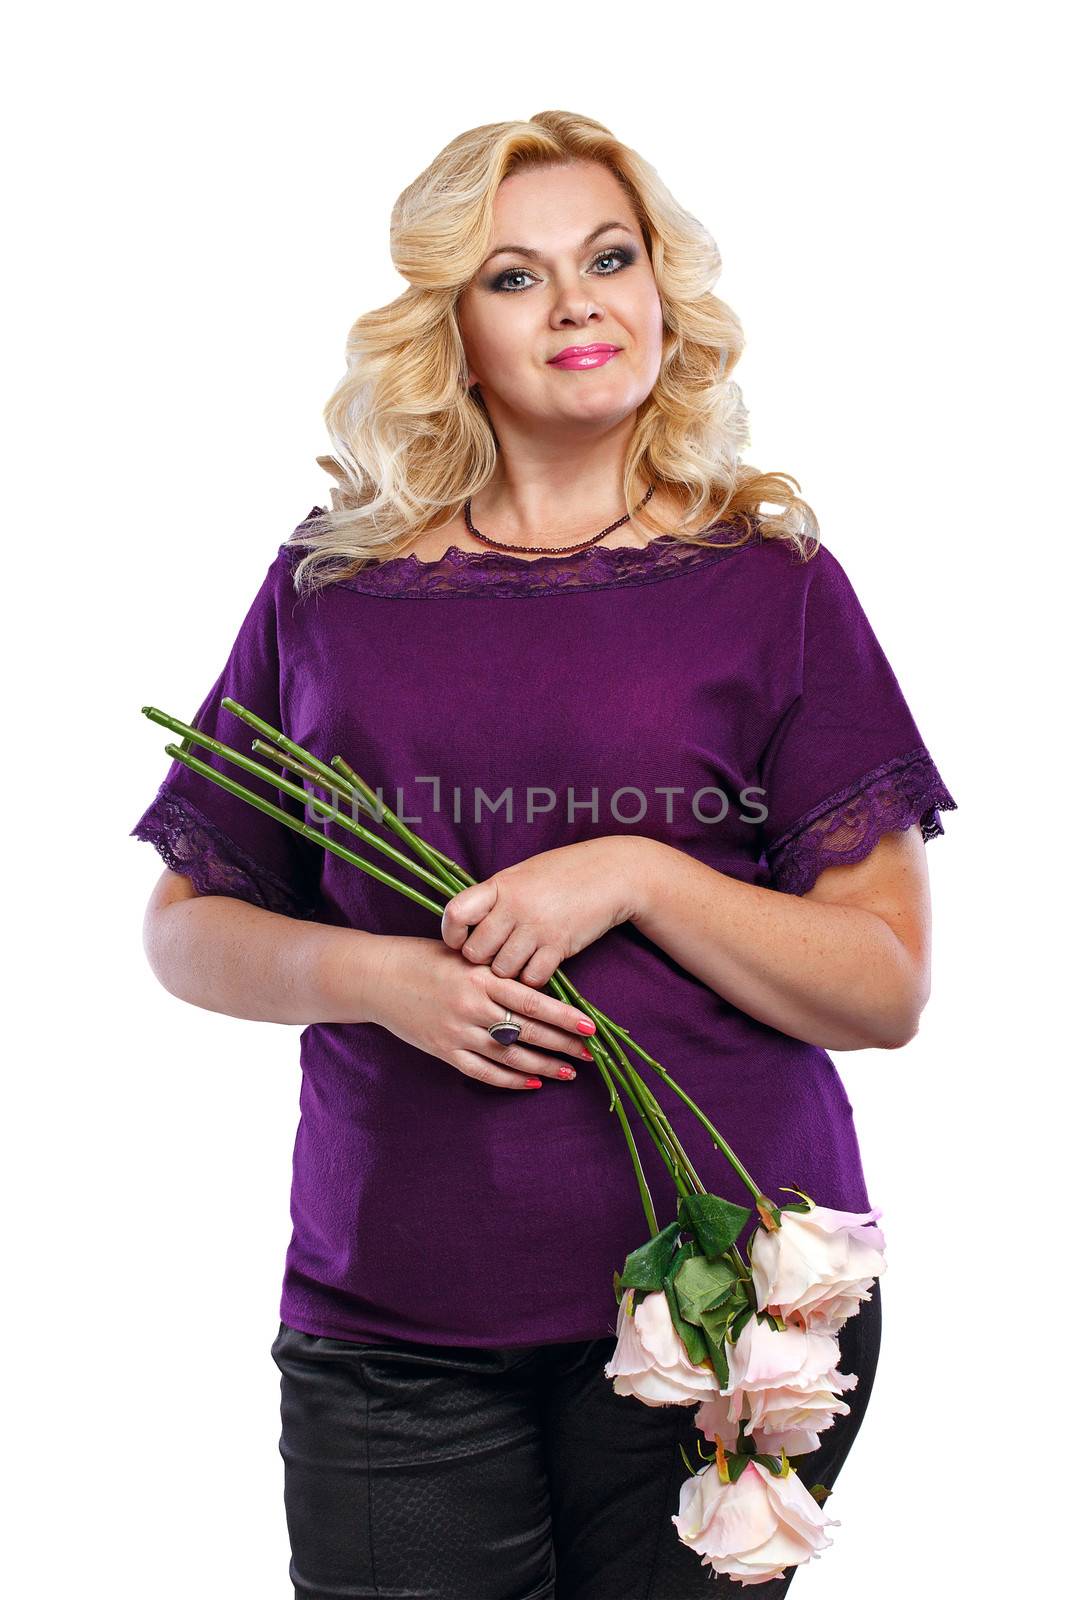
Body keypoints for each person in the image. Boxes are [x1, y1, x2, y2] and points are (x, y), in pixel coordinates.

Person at [131, 111, 957, 1599]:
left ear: (660, 294)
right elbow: (189, 922)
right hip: (392, 1313)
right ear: (449, 327)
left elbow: (883, 987)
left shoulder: (771, 586)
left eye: (609, 257)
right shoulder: (335, 587)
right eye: (513, 276)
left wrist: (642, 871)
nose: (577, 301)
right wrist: (374, 975)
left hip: (728, 1306)